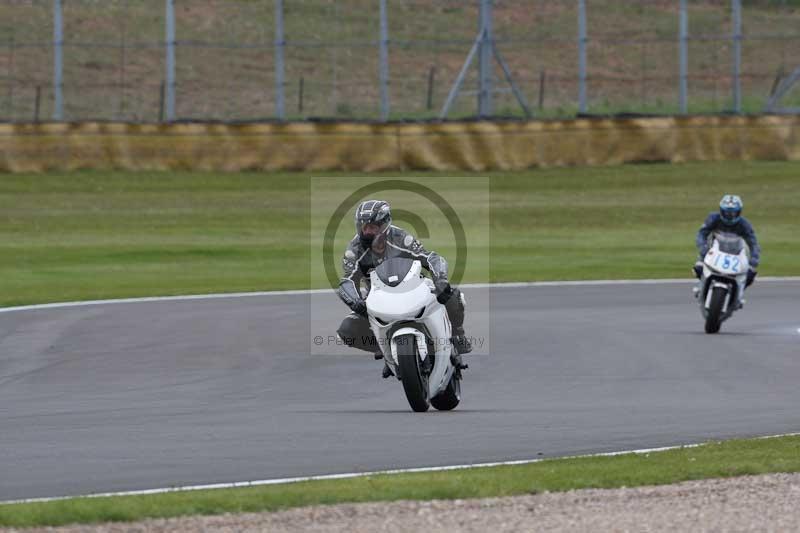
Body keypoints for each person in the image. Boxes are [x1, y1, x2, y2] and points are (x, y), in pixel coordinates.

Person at [335, 199, 471, 378]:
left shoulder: (401, 238)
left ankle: (457, 335)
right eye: (363, 226)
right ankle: (387, 352)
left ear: (384, 225)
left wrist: (441, 280)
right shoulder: (354, 249)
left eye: (372, 227)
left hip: (412, 288)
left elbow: (431, 258)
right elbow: (347, 281)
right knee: (347, 330)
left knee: (453, 295)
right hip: (378, 298)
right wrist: (355, 302)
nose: (366, 231)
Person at [694, 194, 760, 302]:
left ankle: (738, 296)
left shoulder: (744, 224)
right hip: (713, 251)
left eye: (733, 213)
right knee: (698, 268)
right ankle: (700, 286)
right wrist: (703, 248)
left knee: (750, 275)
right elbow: (701, 234)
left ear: (739, 212)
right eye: (727, 212)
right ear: (721, 211)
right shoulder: (713, 218)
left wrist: (754, 260)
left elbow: (753, 243)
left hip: (736, 254)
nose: (730, 215)